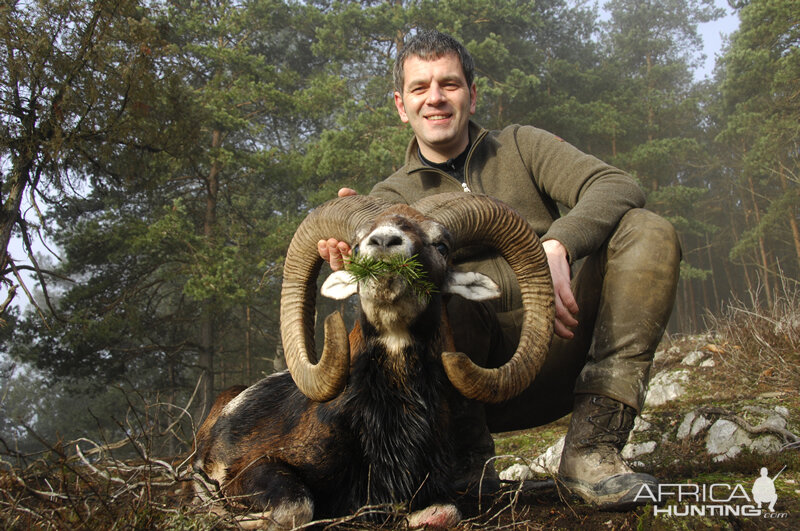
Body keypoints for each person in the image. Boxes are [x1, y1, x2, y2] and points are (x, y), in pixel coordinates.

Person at [318, 30, 681, 510]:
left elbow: (616, 184)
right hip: (468, 382)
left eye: (449, 83)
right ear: (401, 106)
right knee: (426, 291)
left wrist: (558, 245)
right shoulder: (388, 199)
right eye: (419, 88)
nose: (435, 98)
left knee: (647, 230)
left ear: (473, 93)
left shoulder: (523, 147)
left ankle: (594, 448)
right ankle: (469, 462)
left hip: (563, 344)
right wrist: (357, 255)